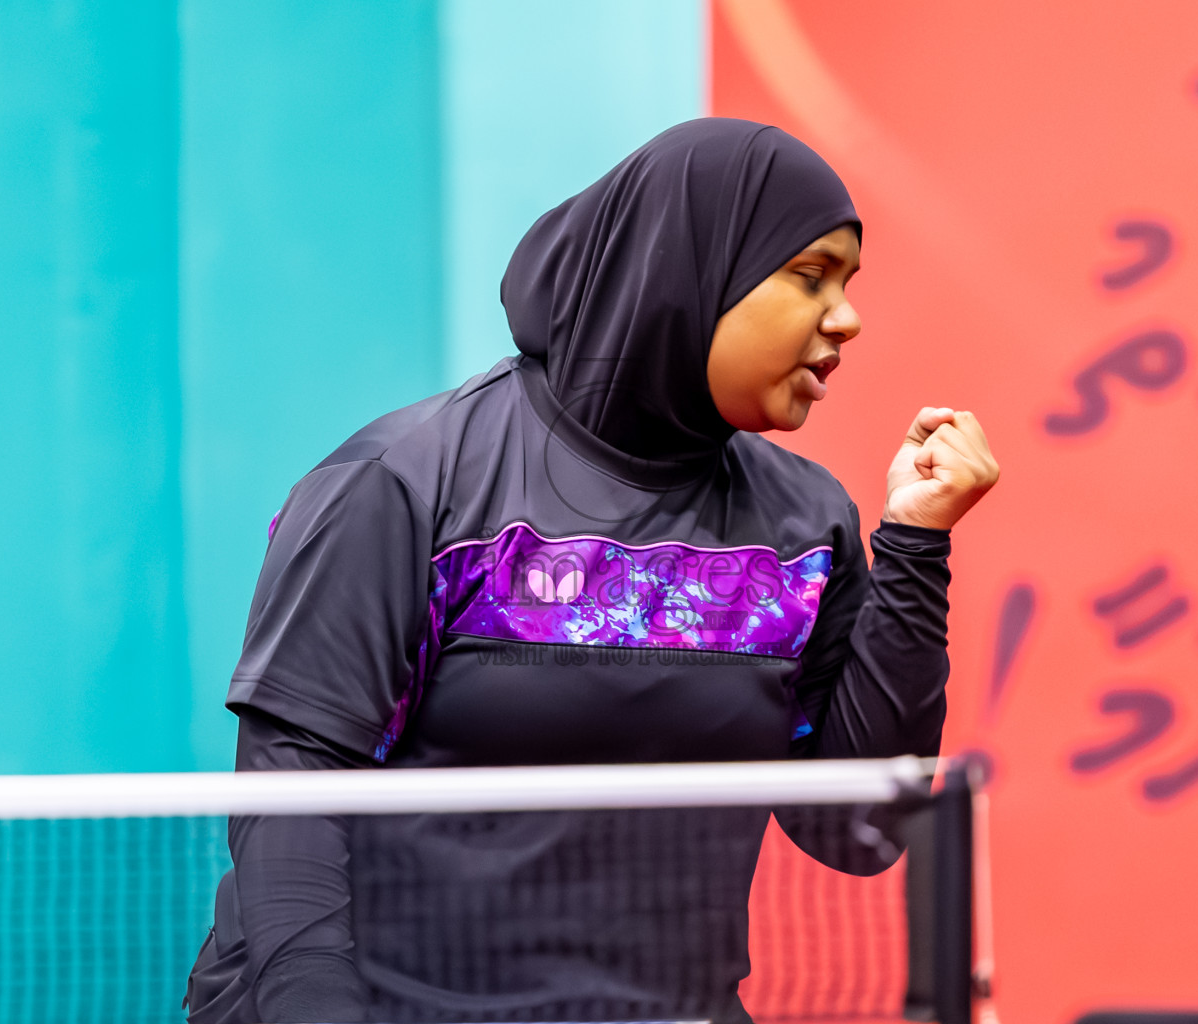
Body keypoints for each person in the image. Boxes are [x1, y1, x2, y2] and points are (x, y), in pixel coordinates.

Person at [184, 117, 999, 1024]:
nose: (846, 316)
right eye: (810, 276)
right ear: (693, 272)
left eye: (848, 284)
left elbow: (857, 828)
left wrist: (916, 546)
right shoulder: (406, 484)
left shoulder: (803, 527)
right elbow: (292, 793)